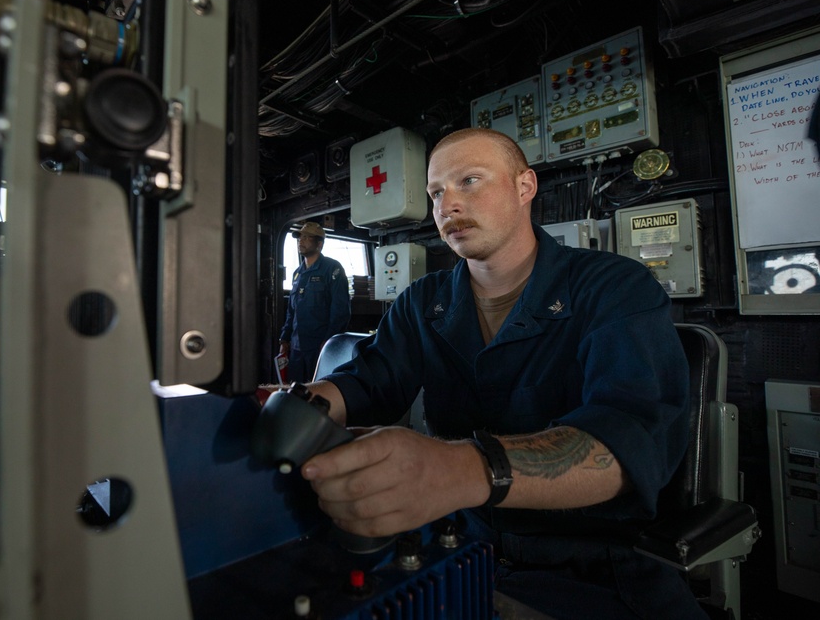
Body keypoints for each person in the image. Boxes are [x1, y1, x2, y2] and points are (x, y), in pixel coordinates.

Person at [294, 128, 706, 619]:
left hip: (591, 566)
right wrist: (300, 405)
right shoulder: (422, 303)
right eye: (436, 192)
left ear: (525, 186)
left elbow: (629, 441)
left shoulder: (615, 288)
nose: (447, 205)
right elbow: (368, 380)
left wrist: (458, 469)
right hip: (455, 544)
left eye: (469, 180)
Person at [279, 221, 351, 383]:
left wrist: (329, 342)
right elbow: (292, 311)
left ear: (319, 244)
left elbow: (340, 310)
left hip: (319, 346)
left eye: (306, 237)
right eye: (299, 237)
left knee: (319, 391)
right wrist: (284, 339)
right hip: (297, 347)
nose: (301, 240)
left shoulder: (332, 269)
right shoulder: (298, 274)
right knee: (295, 391)